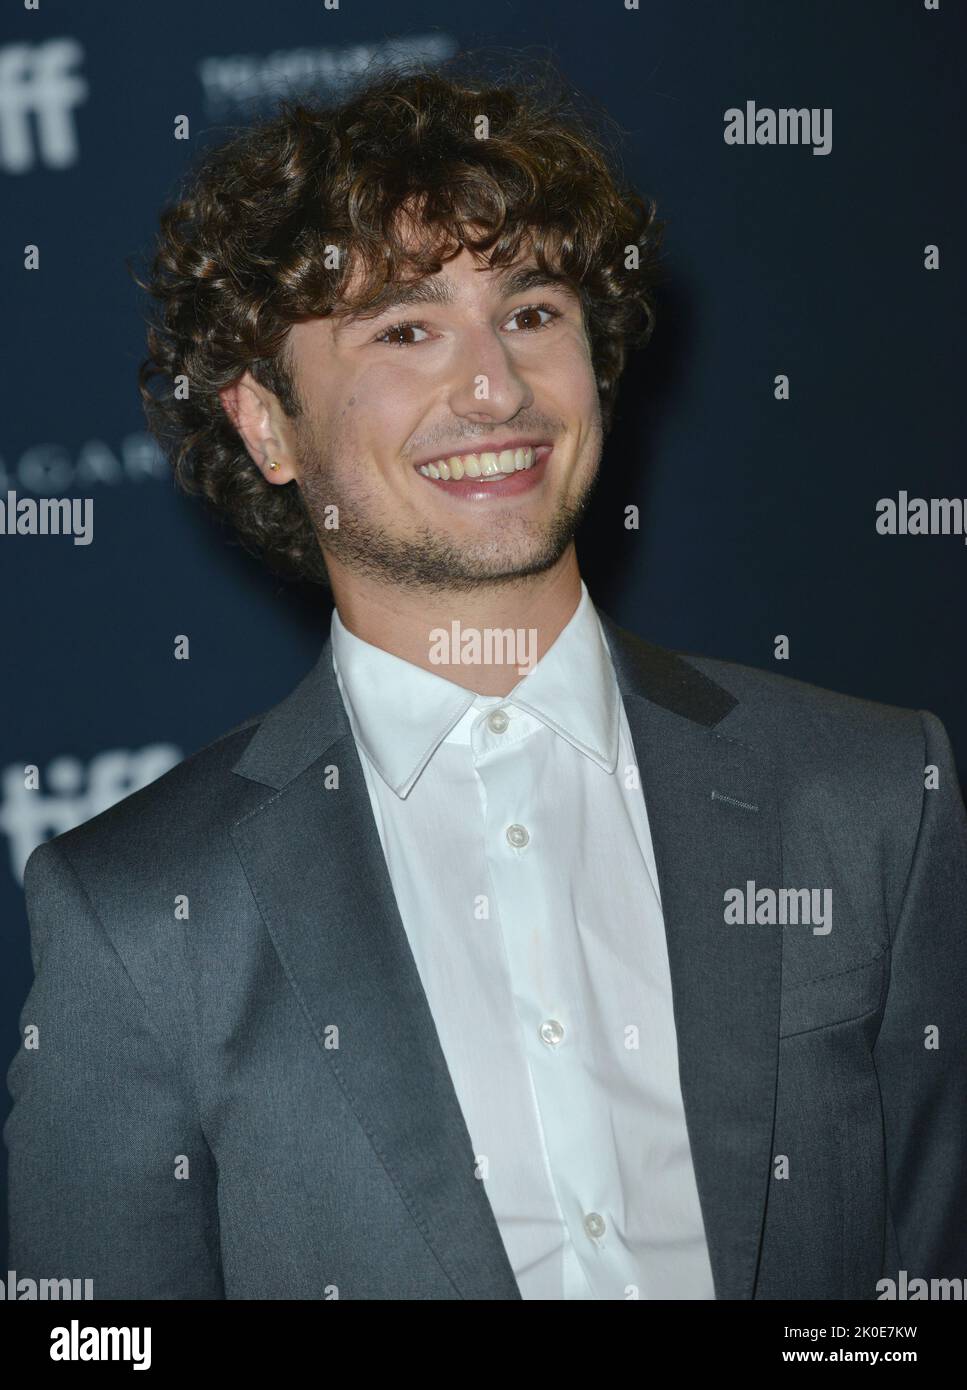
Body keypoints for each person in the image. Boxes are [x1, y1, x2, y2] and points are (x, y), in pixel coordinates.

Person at [6, 60, 966, 1301]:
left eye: (530, 313)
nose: (494, 389)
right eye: (405, 329)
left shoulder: (872, 793)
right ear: (265, 424)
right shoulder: (141, 916)